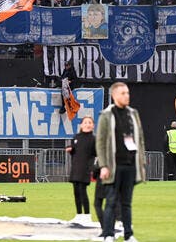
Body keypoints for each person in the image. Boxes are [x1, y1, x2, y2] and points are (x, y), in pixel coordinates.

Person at [95, 82, 145, 242]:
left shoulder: (133, 113)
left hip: (130, 165)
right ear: (114, 95)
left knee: (127, 203)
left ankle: (128, 234)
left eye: (128, 93)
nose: (126, 96)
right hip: (113, 165)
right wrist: (103, 165)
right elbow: (100, 142)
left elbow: (140, 139)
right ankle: (108, 234)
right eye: (123, 93)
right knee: (110, 201)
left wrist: (141, 160)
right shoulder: (106, 115)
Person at [66, 116, 96, 223]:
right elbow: (73, 150)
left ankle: (87, 215)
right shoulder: (76, 137)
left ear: (93, 126)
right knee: (76, 192)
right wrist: (70, 149)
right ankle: (78, 215)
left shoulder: (94, 139)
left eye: (90, 122)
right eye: (85, 122)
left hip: (85, 168)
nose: (87, 124)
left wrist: (93, 167)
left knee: (83, 191)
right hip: (76, 168)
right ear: (81, 125)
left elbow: (96, 153)